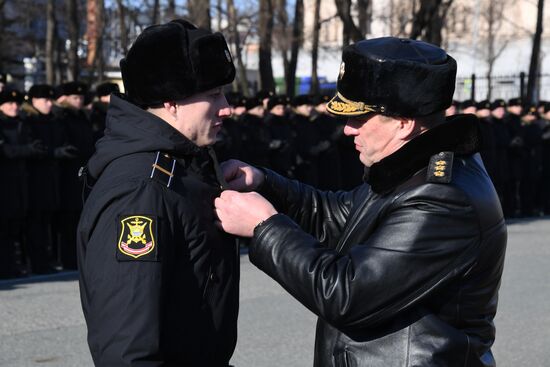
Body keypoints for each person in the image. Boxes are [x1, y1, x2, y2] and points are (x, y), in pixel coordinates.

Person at [214, 37, 507, 366]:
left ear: (403, 122)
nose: (348, 130)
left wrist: (265, 227)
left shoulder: (442, 197)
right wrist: (266, 185)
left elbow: (348, 295)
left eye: (360, 118)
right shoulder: (409, 167)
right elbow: (338, 217)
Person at [77, 19, 239, 366]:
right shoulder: (140, 191)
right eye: (213, 95)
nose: (227, 108)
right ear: (171, 102)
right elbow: (127, 349)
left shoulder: (179, 166)